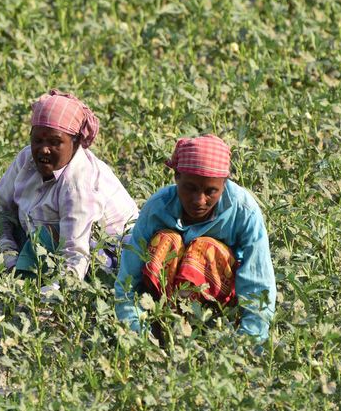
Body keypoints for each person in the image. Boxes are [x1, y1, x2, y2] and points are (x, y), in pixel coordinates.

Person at [114, 134, 276, 343]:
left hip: (218, 308)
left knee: (204, 248)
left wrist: (249, 344)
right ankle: (161, 328)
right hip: (158, 305)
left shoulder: (244, 211)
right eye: (190, 188)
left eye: (211, 191)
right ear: (177, 177)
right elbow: (128, 282)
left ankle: (205, 331)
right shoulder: (157, 208)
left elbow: (258, 283)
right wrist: (137, 336)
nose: (199, 200)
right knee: (167, 240)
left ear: (224, 185)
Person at [0, 89, 139, 282]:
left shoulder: (78, 183)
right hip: (45, 239)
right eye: (37, 140)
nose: (44, 149)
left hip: (106, 255)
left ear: (75, 143)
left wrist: (50, 299)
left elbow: (75, 255)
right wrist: (8, 256)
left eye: (55, 142)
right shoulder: (26, 160)